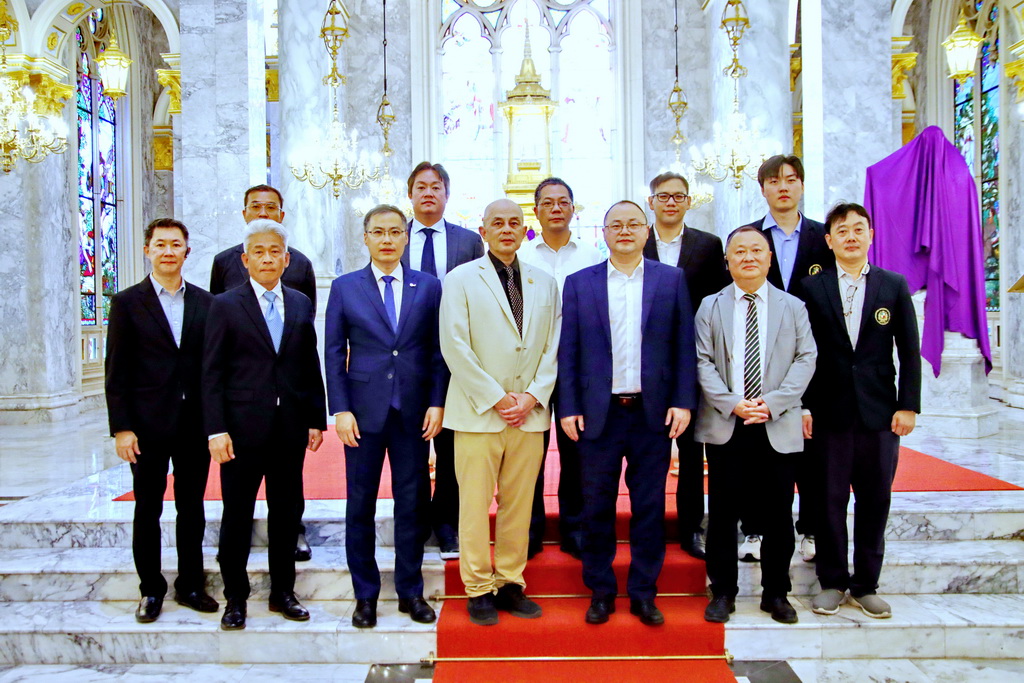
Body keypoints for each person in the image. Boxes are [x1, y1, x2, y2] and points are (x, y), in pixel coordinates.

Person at [559, 200, 696, 627]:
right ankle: (601, 591)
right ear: (604, 233)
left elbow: (684, 345)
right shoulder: (580, 283)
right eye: (615, 224)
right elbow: (569, 350)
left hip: (651, 414)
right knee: (596, 506)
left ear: (646, 230)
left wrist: (683, 400)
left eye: (633, 224)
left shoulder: (670, 280)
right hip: (597, 414)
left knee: (649, 506)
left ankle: (643, 593)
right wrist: (568, 406)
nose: (624, 230)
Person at [324, 205, 447, 628]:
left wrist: (437, 402)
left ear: (406, 237)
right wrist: (340, 409)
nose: (387, 239)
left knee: (412, 503)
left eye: (395, 231)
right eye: (378, 232)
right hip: (362, 413)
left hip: (413, 411)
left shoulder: (428, 286)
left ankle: (411, 591)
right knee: (360, 504)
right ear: (366, 238)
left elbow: (437, 350)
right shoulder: (345, 287)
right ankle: (366, 595)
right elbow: (334, 352)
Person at [439, 199, 560, 626]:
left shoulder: (545, 282)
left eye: (514, 223)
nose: (506, 229)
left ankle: (510, 581)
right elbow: (454, 344)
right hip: (478, 412)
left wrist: (532, 396)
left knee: (519, 504)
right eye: (498, 223)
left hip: (529, 413)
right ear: (483, 230)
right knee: (473, 504)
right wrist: (496, 397)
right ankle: (477, 587)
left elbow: (553, 346)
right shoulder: (460, 279)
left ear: (525, 230)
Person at [203, 219, 327, 631]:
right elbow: (211, 372)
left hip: (289, 428)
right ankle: (235, 598)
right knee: (237, 515)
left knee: (286, 514)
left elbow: (308, 363)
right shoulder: (224, 305)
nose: (267, 258)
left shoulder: (300, 303)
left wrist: (315, 417)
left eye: (275, 251)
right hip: (240, 430)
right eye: (259, 251)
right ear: (245, 259)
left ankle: (283, 593)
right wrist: (216, 429)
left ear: (286, 259)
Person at [801, 203, 921, 620]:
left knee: (875, 500)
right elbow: (802, 351)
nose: (851, 236)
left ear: (870, 235)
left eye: (858, 229)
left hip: (879, 414)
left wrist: (908, 405)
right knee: (828, 500)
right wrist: (803, 405)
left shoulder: (893, 285)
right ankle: (832, 582)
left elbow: (909, 350)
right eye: (842, 230)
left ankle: (867, 584)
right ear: (829, 240)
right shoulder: (811, 287)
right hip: (827, 412)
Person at [697, 227, 816, 625]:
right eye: (739, 251)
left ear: (769, 258)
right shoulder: (710, 306)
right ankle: (723, 592)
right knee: (723, 513)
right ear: (727, 260)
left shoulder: (792, 306)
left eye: (756, 251)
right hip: (727, 423)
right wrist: (732, 403)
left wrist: (773, 403)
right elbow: (701, 361)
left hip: (775, 422)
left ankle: (776, 594)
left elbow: (806, 358)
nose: (748, 257)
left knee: (779, 514)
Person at [105, 218, 217, 624]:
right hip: (146, 426)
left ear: (187, 251)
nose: (168, 251)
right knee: (147, 508)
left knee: (192, 509)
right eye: (160, 244)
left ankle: (191, 585)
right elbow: (116, 370)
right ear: (147, 250)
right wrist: (122, 428)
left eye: (176, 244)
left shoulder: (207, 303)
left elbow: (213, 368)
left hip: (194, 424)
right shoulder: (126, 303)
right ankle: (151, 589)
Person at [209, 184, 317, 562]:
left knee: (287, 502)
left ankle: (285, 577)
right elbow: (213, 362)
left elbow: (305, 351)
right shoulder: (224, 272)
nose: (263, 213)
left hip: (288, 416)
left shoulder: (301, 272)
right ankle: (234, 584)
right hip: (242, 414)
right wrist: (216, 426)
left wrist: (314, 417)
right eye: (256, 207)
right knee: (237, 505)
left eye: (271, 207)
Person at [736, 155, 831, 564]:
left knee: (811, 453)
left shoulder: (824, 237)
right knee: (757, 454)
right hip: (758, 364)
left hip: (814, 361)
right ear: (763, 190)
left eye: (791, 180)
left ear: (801, 185)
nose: (783, 187)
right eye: (774, 181)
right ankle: (754, 529)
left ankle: (809, 529)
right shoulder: (748, 237)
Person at [643, 171, 730, 560]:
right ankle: (650, 525)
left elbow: (718, 302)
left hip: (693, 360)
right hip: (645, 364)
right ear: (651, 202)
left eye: (678, 196)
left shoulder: (708, 245)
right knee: (650, 452)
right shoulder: (637, 240)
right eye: (664, 196)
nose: (671, 202)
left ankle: (691, 526)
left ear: (689, 202)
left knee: (693, 452)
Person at [402, 162, 485, 559]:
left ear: (447, 195)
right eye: (421, 187)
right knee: (411, 443)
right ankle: (418, 520)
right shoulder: (395, 236)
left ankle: (447, 521)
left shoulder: (468, 242)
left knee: (452, 445)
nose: (428, 193)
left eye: (436, 187)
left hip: (457, 356)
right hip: (407, 356)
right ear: (410, 194)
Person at [519, 177, 603, 560]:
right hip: (531, 365)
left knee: (577, 452)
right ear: (535, 210)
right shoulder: (521, 256)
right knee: (529, 452)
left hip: (579, 365)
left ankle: (575, 529)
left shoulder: (593, 255)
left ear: (573, 208)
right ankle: (529, 529)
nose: (556, 208)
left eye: (563, 201)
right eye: (547, 202)